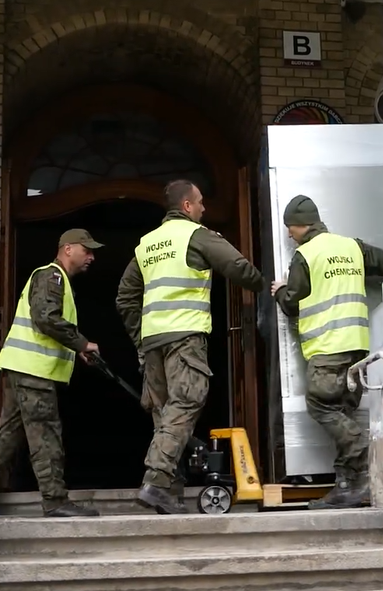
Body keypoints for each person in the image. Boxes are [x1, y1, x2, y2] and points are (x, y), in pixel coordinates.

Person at [116, 179, 266, 515]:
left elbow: (125, 297)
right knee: (186, 403)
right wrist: (264, 283)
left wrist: (140, 337)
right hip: (184, 337)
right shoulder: (196, 235)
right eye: (200, 203)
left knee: (166, 413)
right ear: (186, 206)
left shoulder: (147, 244)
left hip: (154, 341)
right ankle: (155, 480)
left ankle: (169, 490)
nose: (203, 209)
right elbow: (239, 268)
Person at [270, 195, 383, 510]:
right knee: (343, 411)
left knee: (322, 406)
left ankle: (362, 455)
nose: (288, 234)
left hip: (327, 348)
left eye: (289, 228)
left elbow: (292, 303)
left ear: (301, 225)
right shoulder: (352, 247)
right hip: (357, 347)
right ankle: (348, 486)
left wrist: (280, 291)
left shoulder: (306, 255)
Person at [0, 229, 104, 519]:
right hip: (33, 373)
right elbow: (46, 318)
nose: (91, 256)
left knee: (6, 439)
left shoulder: (56, 279)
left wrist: (76, 349)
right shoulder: (51, 276)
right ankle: (55, 500)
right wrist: (81, 342)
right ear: (68, 249)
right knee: (45, 436)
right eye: (87, 250)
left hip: (24, 369)